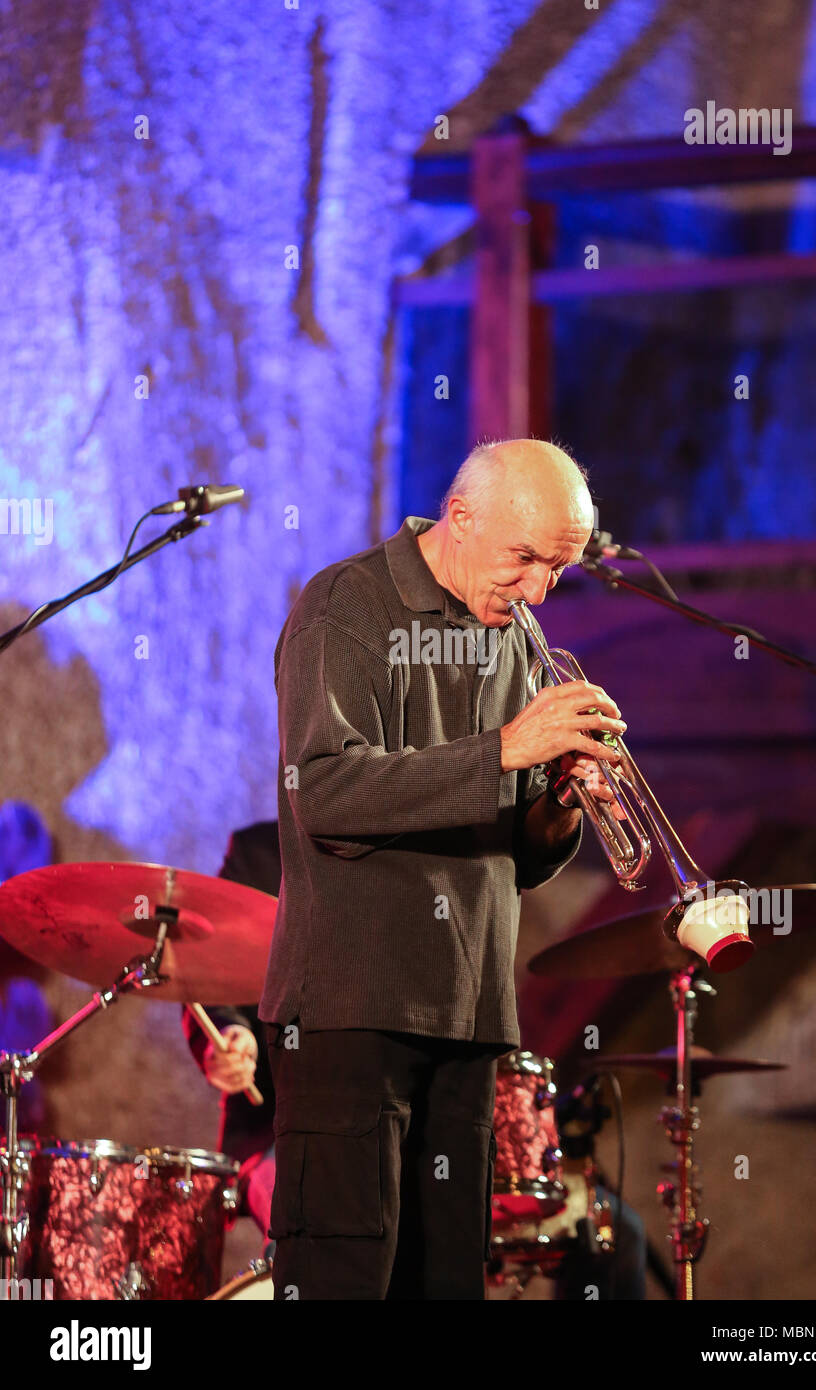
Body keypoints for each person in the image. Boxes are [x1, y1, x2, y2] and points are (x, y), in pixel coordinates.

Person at [260, 438, 627, 1300]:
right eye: (527, 560)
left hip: (468, 1016)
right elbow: (326, 794)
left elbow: (518, 857)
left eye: (559, 570)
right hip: (352, 1014)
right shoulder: (345, 606)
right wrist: (507, 748)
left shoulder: (511, 633)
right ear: (459, 519)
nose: (540, 591)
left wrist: (562, 798)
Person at [181, 820, 280, 1241]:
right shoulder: (258, 853)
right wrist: (231, 1034)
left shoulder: (412, 855)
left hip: (396, 1128)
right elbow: (210, 977)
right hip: (277, 1130)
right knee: (309, 1218)